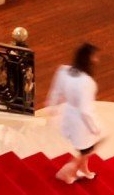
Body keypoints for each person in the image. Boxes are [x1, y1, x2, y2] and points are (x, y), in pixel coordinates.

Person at [45, 42, 105, 183]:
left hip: (68, 115)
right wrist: (95, 127)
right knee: (86, 149)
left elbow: (56, 91)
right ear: (88, 59)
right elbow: (85, 110)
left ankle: (84, 170)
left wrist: (52, 107)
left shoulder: (64, 71)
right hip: (81, 122)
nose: (97, 60)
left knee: (84, 148)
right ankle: (66, 172)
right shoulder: (87, 82)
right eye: (95, 57)